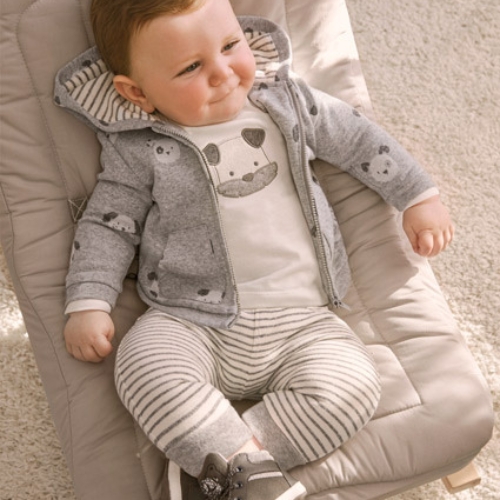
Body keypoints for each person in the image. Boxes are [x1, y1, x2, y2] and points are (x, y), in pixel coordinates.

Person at [54, 0, 454, 498]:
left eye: (230, 45)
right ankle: (245, 475)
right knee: (142, 365)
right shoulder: (137, 147)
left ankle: (222, 465)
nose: (223, 73)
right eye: (191, 67)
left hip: (303, 321)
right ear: (137, 92)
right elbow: (108, 224)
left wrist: (418, 196)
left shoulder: (286, 104)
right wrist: (89, 300)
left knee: (352, 387)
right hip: (189, 318)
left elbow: (359, 139)